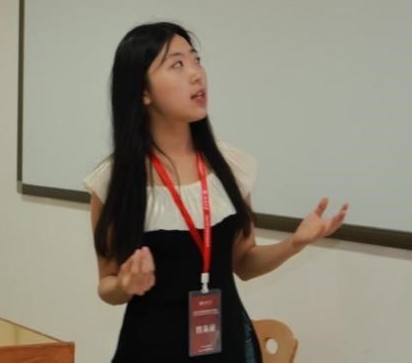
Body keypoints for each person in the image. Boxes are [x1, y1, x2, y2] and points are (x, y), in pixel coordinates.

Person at [85, 22, 348, 361]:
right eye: (177, 64)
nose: (196, 74)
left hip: (226, 349)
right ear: (143, 92)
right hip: (148, 351)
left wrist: (294, 244)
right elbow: (106, 284)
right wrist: (124, 284)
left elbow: (244, 263)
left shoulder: (231, 166)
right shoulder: (113, 180)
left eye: (196, 60)